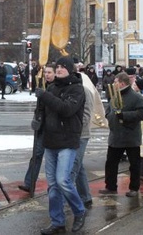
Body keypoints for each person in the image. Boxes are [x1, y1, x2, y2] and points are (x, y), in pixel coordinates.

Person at [35, 56, 86, 234]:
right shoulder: (51, 87)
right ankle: (57, 221)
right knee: (52, 186)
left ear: (70, 70)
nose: (59, 69)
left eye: (63, 67)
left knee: (63, 180)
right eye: (57, 66)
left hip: (67, 140)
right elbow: (44, 111)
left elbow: (66, 109)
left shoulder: (77, 89)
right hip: (50, 141)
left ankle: (79, 211)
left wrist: (45, 96)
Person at [99, 72, 143, 197]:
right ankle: (110, 186)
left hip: (131, 135)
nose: (113, 84)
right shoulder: (115, 96)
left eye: (115, 81)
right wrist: (110, 117)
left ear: (122, 83)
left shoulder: (136, 97)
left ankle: (134, 188)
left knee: (134, 164)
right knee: (111, 163)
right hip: (116, 135)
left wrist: (125, 116)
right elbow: (109, 111)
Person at [18, 64, 56, 193]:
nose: (47, 75)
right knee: (37, 154)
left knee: (56, 158)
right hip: (42, 127)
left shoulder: (57, 88)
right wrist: (36, 118)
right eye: (46, 72)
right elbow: (40, 108)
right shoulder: (44, 87)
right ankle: (29, 182)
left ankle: (59, 186)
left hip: (54, 129)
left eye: (49, 72)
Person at [71, 69, 105, 208]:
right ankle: (85, 196)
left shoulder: (85, 90)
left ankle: (72, 201)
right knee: (78, 166)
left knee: (73, 166)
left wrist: (76, 128)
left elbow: (87, 114)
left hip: (81, 134)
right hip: (70, 134)